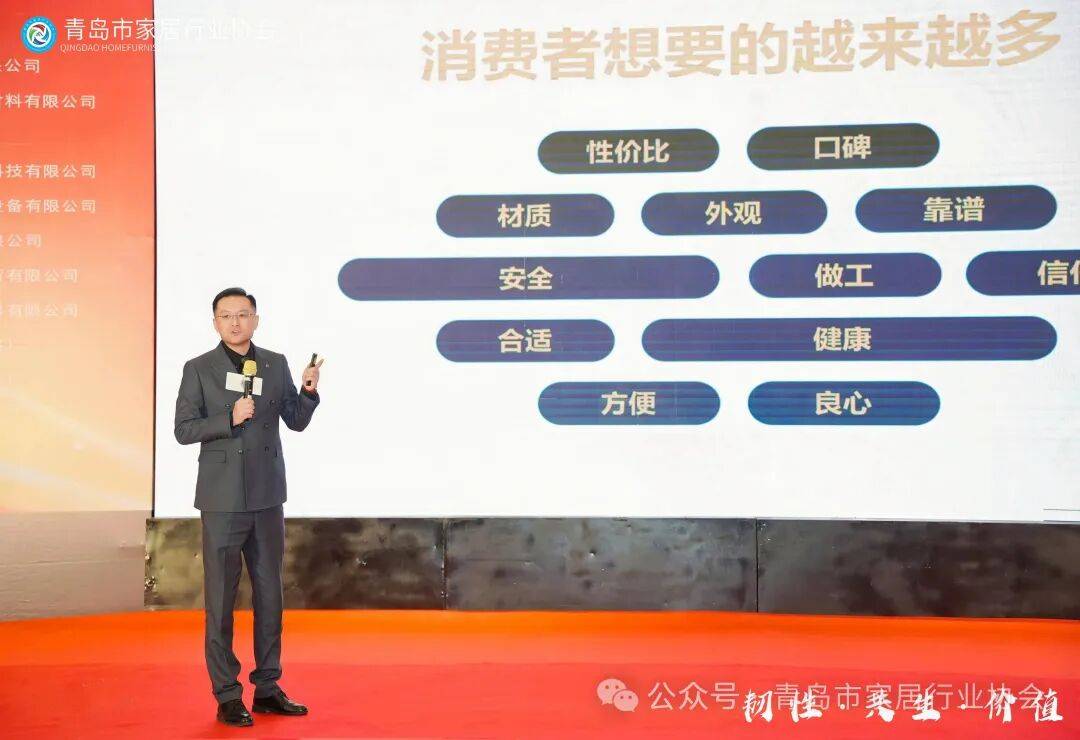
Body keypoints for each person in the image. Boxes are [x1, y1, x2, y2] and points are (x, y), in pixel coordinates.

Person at [173, 287, 323, 727]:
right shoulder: (198, 368)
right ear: (215, 323)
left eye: (243, 314)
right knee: (220, 600)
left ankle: (268, 688)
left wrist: (308, 392)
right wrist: (229, 418)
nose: (235, 322)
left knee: (270, 594)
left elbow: (295, 420)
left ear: (256, 319)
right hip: (221, 500)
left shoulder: (274, 363)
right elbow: (183, 429)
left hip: (266, 496)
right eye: (226, 316)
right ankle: (227, 694)